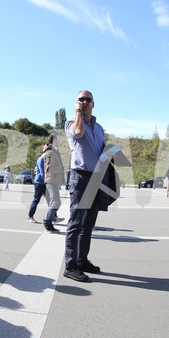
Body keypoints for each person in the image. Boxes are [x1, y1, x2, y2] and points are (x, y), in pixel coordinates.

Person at [63, 90, 116, 282]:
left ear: (93, 103)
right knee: (76, 223)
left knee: (89, 224)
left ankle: (81, 259)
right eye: (80, 100)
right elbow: (79, 132)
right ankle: (70, 266)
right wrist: (78, 113)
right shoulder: (71, 123)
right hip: (81, 177)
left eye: (88, 100)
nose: (84, 102)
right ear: (76, 103)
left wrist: (110, 153)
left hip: (97, 177)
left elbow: (101, 151)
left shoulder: (100, 128)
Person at [42, 133, 65, 232]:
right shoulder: (50, 152)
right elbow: (49, 168)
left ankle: (49, 222)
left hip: (54, 180)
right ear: (55, 140)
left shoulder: (54, 152)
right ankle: (47, 221)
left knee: (54, 202)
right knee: (56, 202)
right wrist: (64, 168)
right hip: (51, 180)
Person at [26, 145, 46, 224]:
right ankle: (30, 216)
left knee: (51, 200)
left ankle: (54, 216)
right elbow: (42, 173)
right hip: (39, 183)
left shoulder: (46, 160)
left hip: (44, 182)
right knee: (36, 200)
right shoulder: (41, 159)